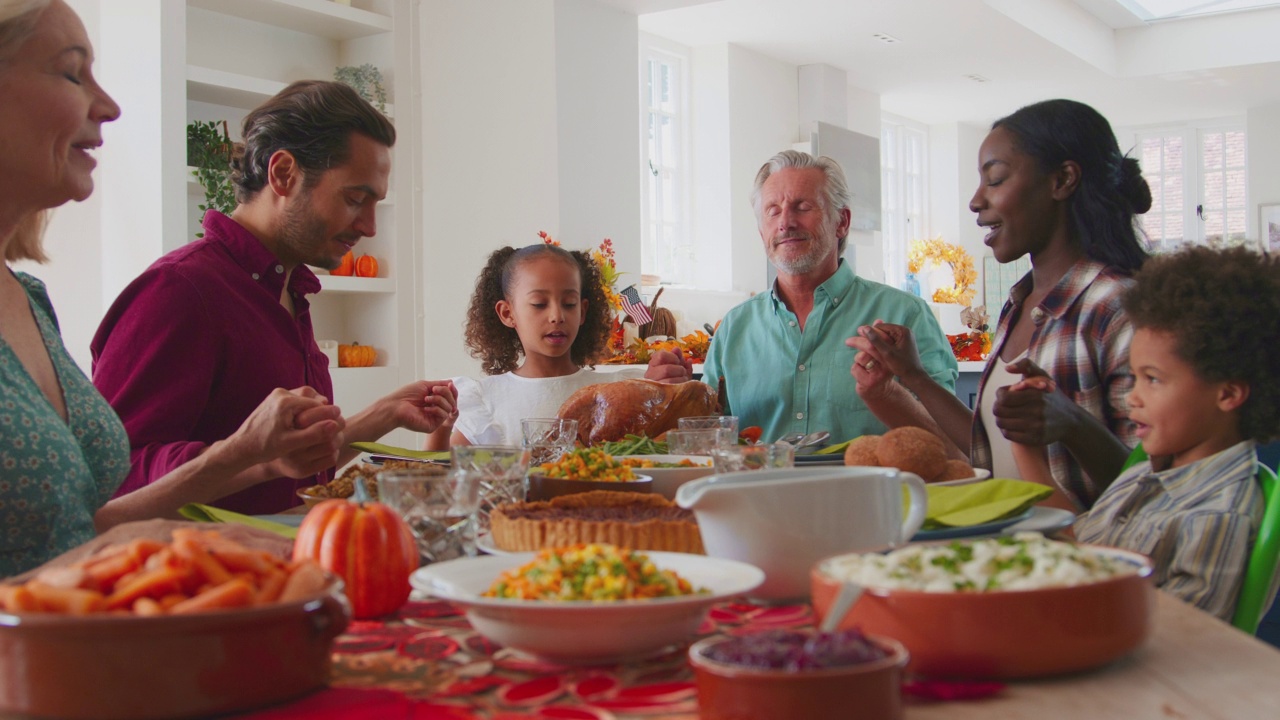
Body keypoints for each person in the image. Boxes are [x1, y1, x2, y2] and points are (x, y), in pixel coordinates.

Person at [0, 0, 344, 576]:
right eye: (70, 72)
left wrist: (182, 531)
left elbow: (70, 533)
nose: (109, 106)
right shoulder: (183, 288)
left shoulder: (28, 299)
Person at [91, 79, 458, 515]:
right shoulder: (179, 290)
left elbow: (290, 467)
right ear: (283, 174)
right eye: (356, 199)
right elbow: (112, 477)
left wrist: (384, 413)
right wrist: (255, 459)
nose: (369, 227)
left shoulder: (289, 290)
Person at [850, 99, 1149, 510]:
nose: (975, 201)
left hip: (1082, 560)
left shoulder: (1118, 307)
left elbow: (1156, 485)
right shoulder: (1019, 303)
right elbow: (989, 448)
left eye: (995, 180)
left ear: (1062, 180)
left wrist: (1074, 425)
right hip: (1012, 551)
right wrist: (914, 376)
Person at [660, 149, 957, 446]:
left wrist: (890, 395)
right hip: (758, 492)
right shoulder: (734, 329)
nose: (785, 222)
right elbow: (708, 444)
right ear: (762, 231)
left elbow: (952, 442)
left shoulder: (906, 315)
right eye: (773, 210)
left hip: (871, 491)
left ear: (842, 222)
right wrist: (668, 399)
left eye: (802, 207)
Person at [1075, 246, 1280, 621]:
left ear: (1228, 394)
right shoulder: (1142, 474)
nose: (1131, 396)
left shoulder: (1218, 515)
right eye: (1134, 377)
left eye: (1152, 379)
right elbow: (1078, 553)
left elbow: (1182, 638)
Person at [424, 243, 650, 449]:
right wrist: (441, 427)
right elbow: (434, 474)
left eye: (569, 304)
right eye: (539, 304)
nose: (557, 316)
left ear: (583, 311)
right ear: (507, 313)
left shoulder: (614, 389)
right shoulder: (486, 398)